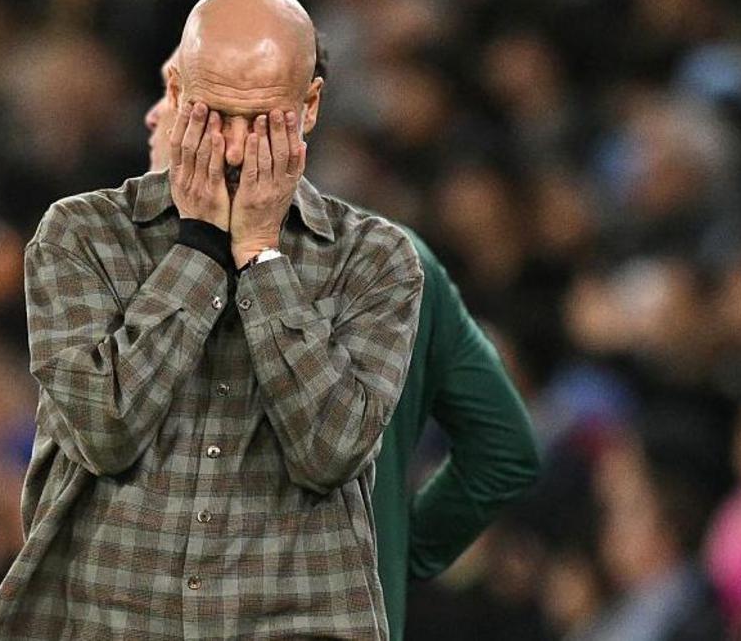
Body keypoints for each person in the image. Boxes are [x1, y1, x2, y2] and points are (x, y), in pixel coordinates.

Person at [0, 0, 424, 639]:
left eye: (262, 120)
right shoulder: (80, 235)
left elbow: (330, 452)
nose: (235, 150)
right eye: (216, 115)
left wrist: (261, 257)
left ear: (310, 107)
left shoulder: (376, 259)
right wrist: (201, 249)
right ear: (177, 92)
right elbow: (104, 431)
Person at [144, 33, 541, 641]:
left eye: (175, 92)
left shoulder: (159, 275)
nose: (154, 115)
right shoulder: (408, 263)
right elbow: (504, 450)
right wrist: (387, 560)